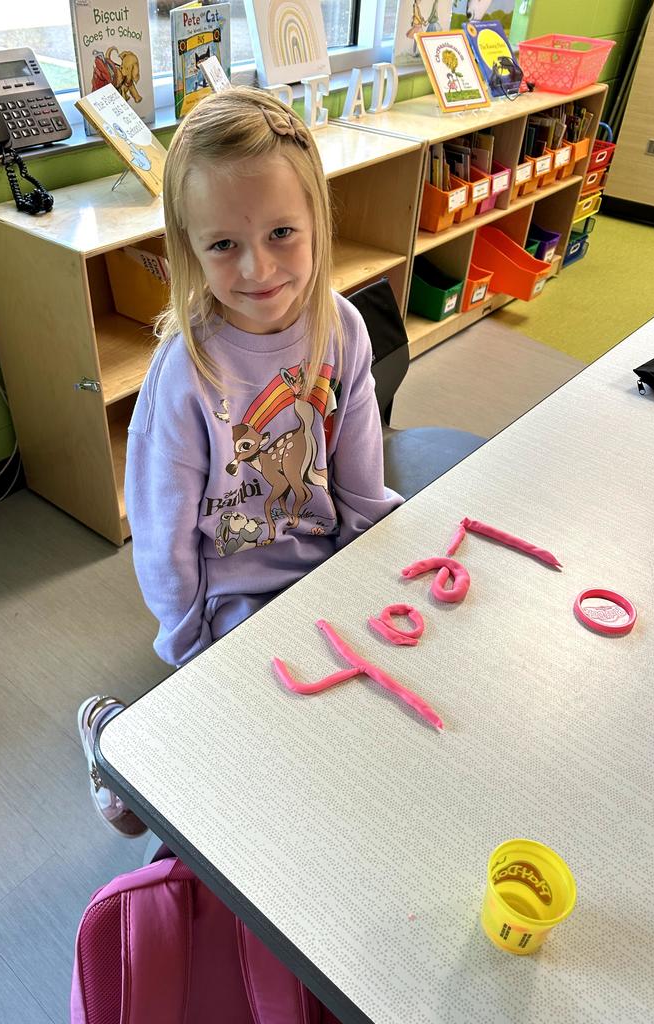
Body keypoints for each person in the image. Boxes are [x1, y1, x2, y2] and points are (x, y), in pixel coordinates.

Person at [79, 87, 403, 836]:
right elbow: (162, 536)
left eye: (282, 232)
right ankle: (122, 743)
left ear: (318, 220)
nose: (258, 268)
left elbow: (362, 483)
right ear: (189, 249)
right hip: (234, 598)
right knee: (257, 772)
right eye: (223, 244)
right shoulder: (186, 371)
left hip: (322, 566)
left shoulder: (343, 329)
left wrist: (376, 575)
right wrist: (190, 648)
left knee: (356, 735)